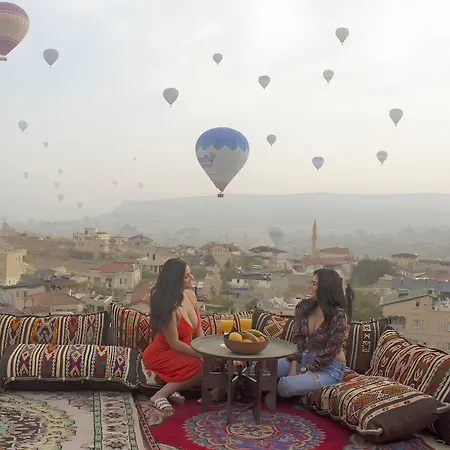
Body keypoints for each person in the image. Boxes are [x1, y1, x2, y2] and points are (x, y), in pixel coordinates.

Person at [142, 258, 203, 412]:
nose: (191, 278)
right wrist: (200, 355)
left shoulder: (191, 296)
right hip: (161, 355)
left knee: (213, 361)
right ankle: (160, 395)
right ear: (175, 280)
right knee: (202, 365)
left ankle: (174, 389)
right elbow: (174, 343)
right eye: (186, 276)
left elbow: (199, 331)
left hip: (183, 353)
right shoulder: (169, 308)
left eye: (190, 274)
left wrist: (206, 351)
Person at [277, 268, 348, 398]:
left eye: (314, 284)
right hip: (305, 357)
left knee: (285, 385)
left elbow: (329, 352)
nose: (310, 287)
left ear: (325, 288)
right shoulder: (303, 307)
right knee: (263, 369)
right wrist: (293, 367)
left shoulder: (338, 315)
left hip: (329, 368)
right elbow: (298, 340)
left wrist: (305, 371)